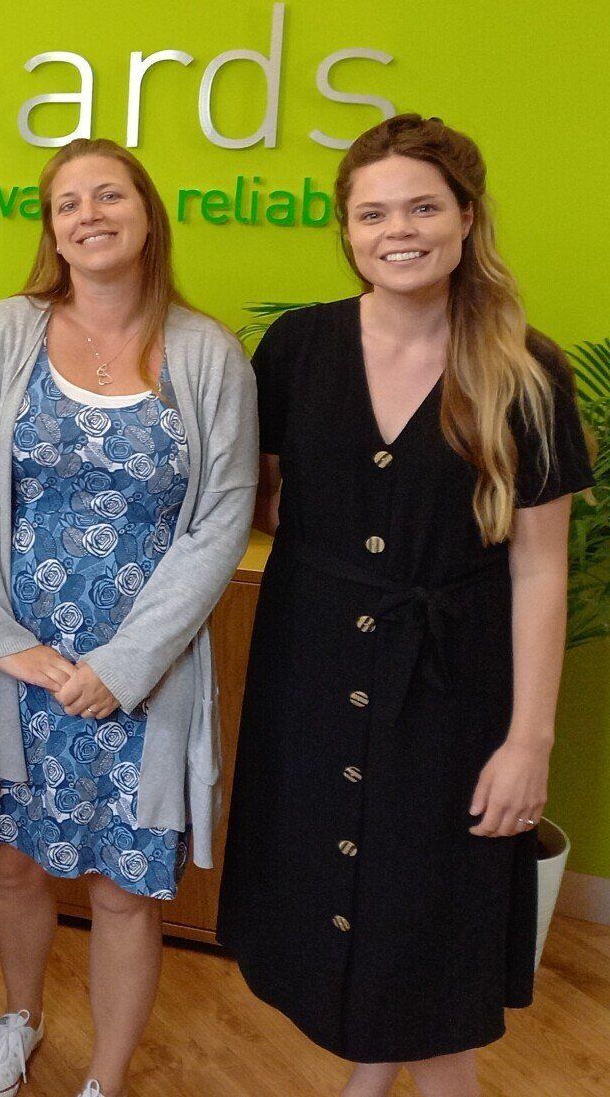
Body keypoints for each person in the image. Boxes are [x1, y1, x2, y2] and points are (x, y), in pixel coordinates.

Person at [218, 114, 591, 1097]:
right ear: (346, 230)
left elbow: (541, 569)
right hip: (311, 673)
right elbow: (243, 498)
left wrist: (529, 743)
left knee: (429, 921)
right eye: (372, 212)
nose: (399, 230)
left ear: (467, 218)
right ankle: (368, 1079)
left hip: (454, 693)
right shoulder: (298, 348)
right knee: (346, 902)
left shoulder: (525, 370)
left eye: (423, 206)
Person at [0, 139, 258, 1097]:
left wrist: (127, 662)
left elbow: (224, 517)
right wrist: (6, 640)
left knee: (122, 886)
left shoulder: (208, 352)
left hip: (140, 674)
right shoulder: (3, 331)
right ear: (52, 229)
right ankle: (20, 1016)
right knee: (15, 862)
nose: (89, 214)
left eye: (109, 195)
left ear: (148, 214)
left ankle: (104, 1078)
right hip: (14, 660)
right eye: (68, 202)